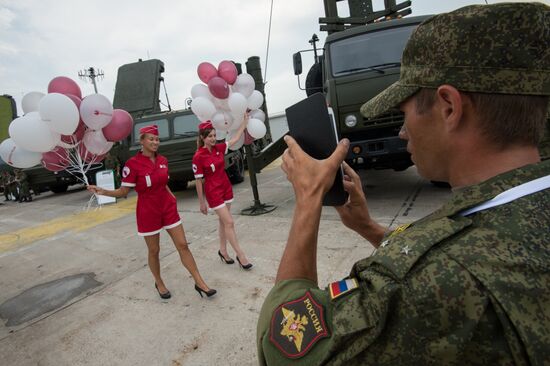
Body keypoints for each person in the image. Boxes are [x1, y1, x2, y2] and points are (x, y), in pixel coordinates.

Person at [257, 3, 549, 365]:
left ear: (448, 107)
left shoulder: (424, 284)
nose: (402, 129)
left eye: (404, 110)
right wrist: (369, 228)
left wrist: (309, 197)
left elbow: (285, 343)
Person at [88, 125, 216, 299]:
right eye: (151, 139)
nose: (155, 142)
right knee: (154, 250)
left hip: (167, 208)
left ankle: (200, 283)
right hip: (148, 211)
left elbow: (163, 183)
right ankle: (159, 282)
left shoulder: (163, 160)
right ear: (142, 141)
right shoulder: (132, 165)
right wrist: (103, 191)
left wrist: (172, 198)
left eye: (157, 139)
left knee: (183, 245)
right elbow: (124, 191)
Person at [192, 117, 253, 270]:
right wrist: (202, 203)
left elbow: (235, 139)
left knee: (223, 222)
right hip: (213, 192)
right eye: (209, 136)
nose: (213, 139)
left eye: (214, 135)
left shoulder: (219, 148)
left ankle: (223, 251)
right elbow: (199, 181)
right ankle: (241, 255)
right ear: (202, 137)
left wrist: (244, 123)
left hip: (226, 187)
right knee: (229, 222)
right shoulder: (198, 157)